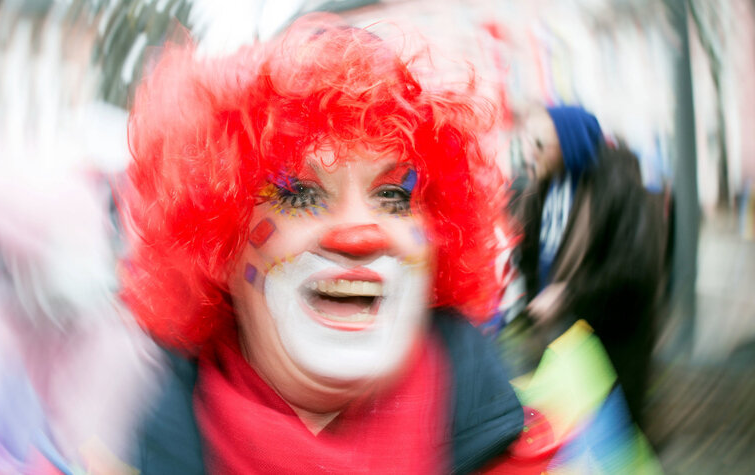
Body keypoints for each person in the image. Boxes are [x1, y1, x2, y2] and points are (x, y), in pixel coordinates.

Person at [120, 18, 525, 473]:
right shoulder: (145, 452)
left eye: (393, 195)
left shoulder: (512, 445)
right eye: (300, 194)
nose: (358, 234)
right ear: (220, 245)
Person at [516, 106, 665, 428]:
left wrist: (568, 295)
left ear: (569, 143)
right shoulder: (544, 185)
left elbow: (635, 271)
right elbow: (531, 252)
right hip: (561, 341)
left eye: (540, 144)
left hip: (608, 346)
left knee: (607, 435)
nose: (530, 152)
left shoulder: (618, 185)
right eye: (528, 141)